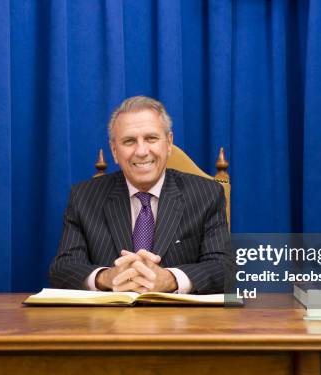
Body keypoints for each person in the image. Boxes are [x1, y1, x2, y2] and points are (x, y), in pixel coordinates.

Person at [49, 96, 233, 294]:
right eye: (129, 141)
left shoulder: (207, 194)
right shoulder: (83, 197)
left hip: (182, 322)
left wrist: (171, 279)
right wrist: (106, 277)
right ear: (114, 151)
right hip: (107, 321)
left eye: (151, 138)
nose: (142, 151)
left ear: (169, 143)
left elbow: (223, 267)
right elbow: (63, 268)